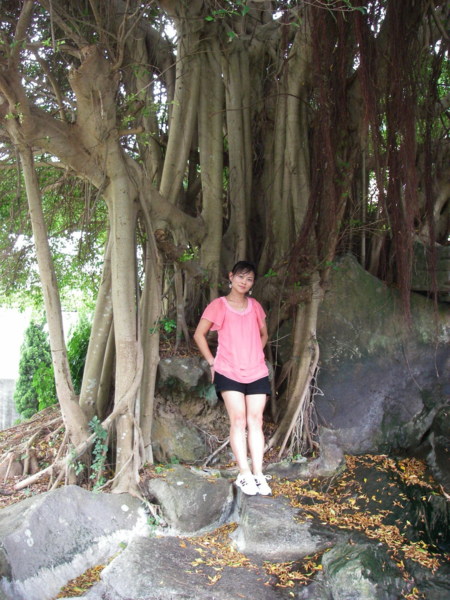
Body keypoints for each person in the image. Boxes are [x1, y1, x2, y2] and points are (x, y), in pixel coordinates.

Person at [194, 261, 272, 495]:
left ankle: (258, 474)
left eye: (249, 279)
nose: (244, 282)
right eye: (240, 277)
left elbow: (264, 334)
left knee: (256, 420)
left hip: (256, 370)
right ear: (231, 276)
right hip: (228, 370)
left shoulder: (255, 306)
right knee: (238, 419)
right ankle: (244, 474)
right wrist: (212, 362)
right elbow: (199, 334)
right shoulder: (218, 305)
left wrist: (255, 353)